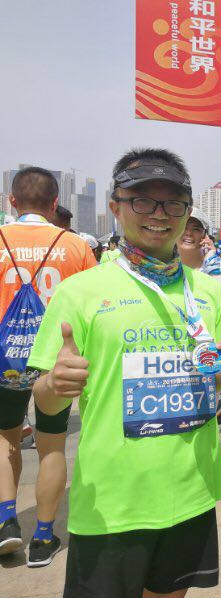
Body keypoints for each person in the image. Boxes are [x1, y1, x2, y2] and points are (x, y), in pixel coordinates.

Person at [27, 148, 221, 598]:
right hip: (113, 501)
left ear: (188, 211)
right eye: (143, 200)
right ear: (116, 206)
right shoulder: (80, 291)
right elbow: (45, 400)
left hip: (190, 492)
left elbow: (210, 383)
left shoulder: (209, 292)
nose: (159, 214)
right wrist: (54, 383)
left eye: (173, 203)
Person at [0, 167, 96, 567]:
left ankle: (6, 520)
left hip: (5, 359)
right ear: (55, 204)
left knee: (5, 437)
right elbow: (94, 305)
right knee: (52, 445)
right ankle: (43, 536)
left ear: (12, 201)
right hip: (56, 363)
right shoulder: (75, 245)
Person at [177, 207, 221, 279]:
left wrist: (211, 267)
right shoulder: (164, 266)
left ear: (205, 235)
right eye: (184, 227)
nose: (189, 233)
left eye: (196, 229)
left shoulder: (218, 265)